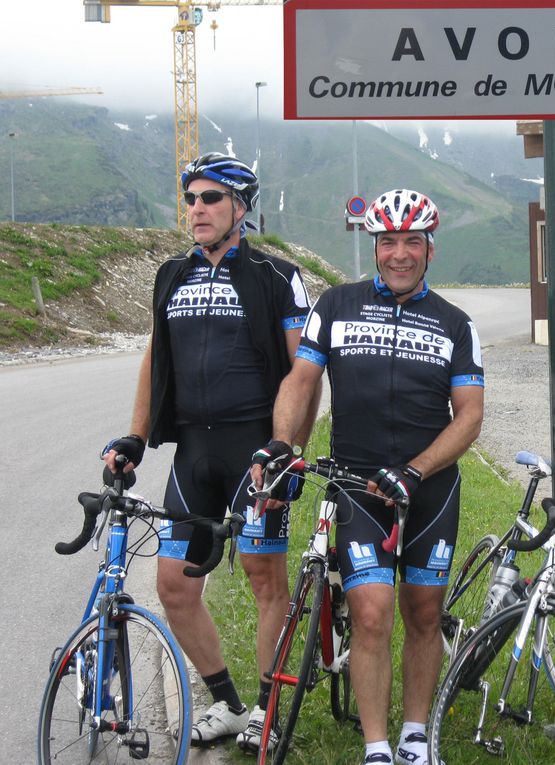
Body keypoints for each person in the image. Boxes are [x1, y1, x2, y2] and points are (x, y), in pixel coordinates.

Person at [251, 188, 484, 765]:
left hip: (429, 488)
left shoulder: (456, 323)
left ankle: (413, 733)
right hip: (358, 486)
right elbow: (301, 381)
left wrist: (416, 468)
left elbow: (471, 416)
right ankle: (377, 745)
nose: (398, 254)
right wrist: (282, 443)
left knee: (424, 613)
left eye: (411, 242)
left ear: (429, 248)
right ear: (373, 246)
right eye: (387, 242)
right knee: (373, 612)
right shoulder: (336, 305)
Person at [102, 152, 319, 754]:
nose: (197, 209)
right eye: (192, 198)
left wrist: (290, 450)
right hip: (193, 449)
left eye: (211, 198)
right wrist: (136, 436)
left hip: (255, 448)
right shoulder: (171, 273)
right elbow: (155, 358)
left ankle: (267, 709)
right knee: (173, 583)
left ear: (240, 209)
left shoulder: (278, 276)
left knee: (262, 576)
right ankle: (229, 704)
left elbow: (306, 369)